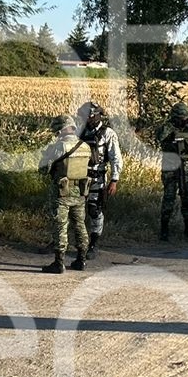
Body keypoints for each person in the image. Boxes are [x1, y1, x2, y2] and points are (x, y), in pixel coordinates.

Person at [38, 114, 92, 273]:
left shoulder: (59, 147)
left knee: (60, 225)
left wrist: (46, 156)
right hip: (80, 192)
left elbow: (43, 170)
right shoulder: (85, 146)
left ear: (60, 129)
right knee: (80, 225)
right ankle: (81, 260)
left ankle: (59, 262)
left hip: (62, 192)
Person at [80, 101, 123, 259]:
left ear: (97, 116)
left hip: (98, 177)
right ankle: (63, 242)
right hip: (79, 176)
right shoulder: (81, 131)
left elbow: (115, 158)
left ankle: (94, 243)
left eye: (90, 116)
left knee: (94, 210)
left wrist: (114, 180)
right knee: (74, 210)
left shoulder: (108, 133)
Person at [157, 101, 188, 241]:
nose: (183, 120)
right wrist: (173, 124)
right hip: (170, 169)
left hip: (186, 169)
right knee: (169, 198)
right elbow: (160, 137)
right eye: (181, 118)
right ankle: (164, 230)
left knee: (187, 198)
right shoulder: (167, 128)